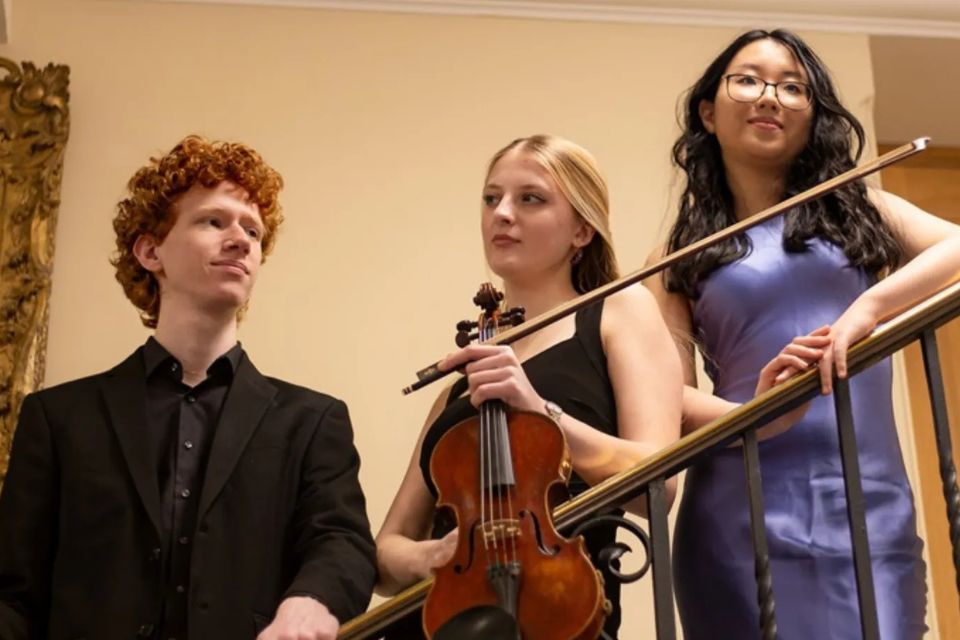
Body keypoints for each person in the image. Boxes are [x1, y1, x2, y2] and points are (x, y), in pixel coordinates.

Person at [647, 28, 960, 639]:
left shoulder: (861, 209)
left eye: (793, 88)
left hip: (868, 500)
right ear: (709, 111)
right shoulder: (677, 255)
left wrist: (866, 311)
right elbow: (670, 397)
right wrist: (757, 414)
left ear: (812, 116)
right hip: (739, 510)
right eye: (748, 80)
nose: (770, 97)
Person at [0, 135, 377, 640]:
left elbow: (342, 542)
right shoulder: (57, 417)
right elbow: (13, 593)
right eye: (213, 221)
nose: (241, 239)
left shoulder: (313, 421)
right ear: (150, 251)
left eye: (253, 231)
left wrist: (309, 603)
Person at [374, 134, 683, 638]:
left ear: (582, 230)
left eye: (530, 198)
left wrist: (540, 410)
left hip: (559, 616)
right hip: (446, 621)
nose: (502, 213)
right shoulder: (460, 385)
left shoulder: (618, 312)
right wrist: (434, 555)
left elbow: (657, 488)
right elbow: (386, 554)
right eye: (491, 198)